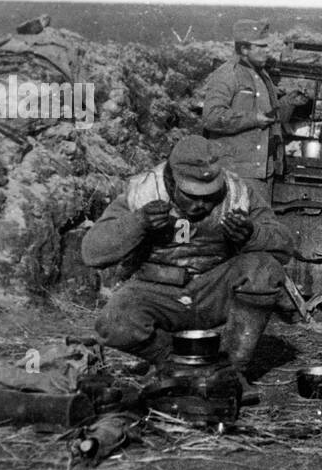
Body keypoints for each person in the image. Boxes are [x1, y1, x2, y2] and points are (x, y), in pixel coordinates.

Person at [80, 135, 296, 376]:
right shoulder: (143, 191)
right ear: (172, 180)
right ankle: (176, 365)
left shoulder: (238, 193)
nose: (201, 205)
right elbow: (92, 253)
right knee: (113, 323)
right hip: (158, 292)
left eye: (209, 196)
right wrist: (137, 223)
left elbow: (285, 245)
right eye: (192, 196)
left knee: (263, 269)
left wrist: (252, 234)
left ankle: (230, 372)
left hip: (213, 292)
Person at [201, 19, 308, 201]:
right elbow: (211, 117)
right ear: (243, 49)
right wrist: (253, 119)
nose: (267, 50)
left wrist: (289, 102)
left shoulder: (262, 76)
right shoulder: (228, 74)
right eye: (260, 46)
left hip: (262, 171)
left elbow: (271, 118)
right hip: (237, 172)